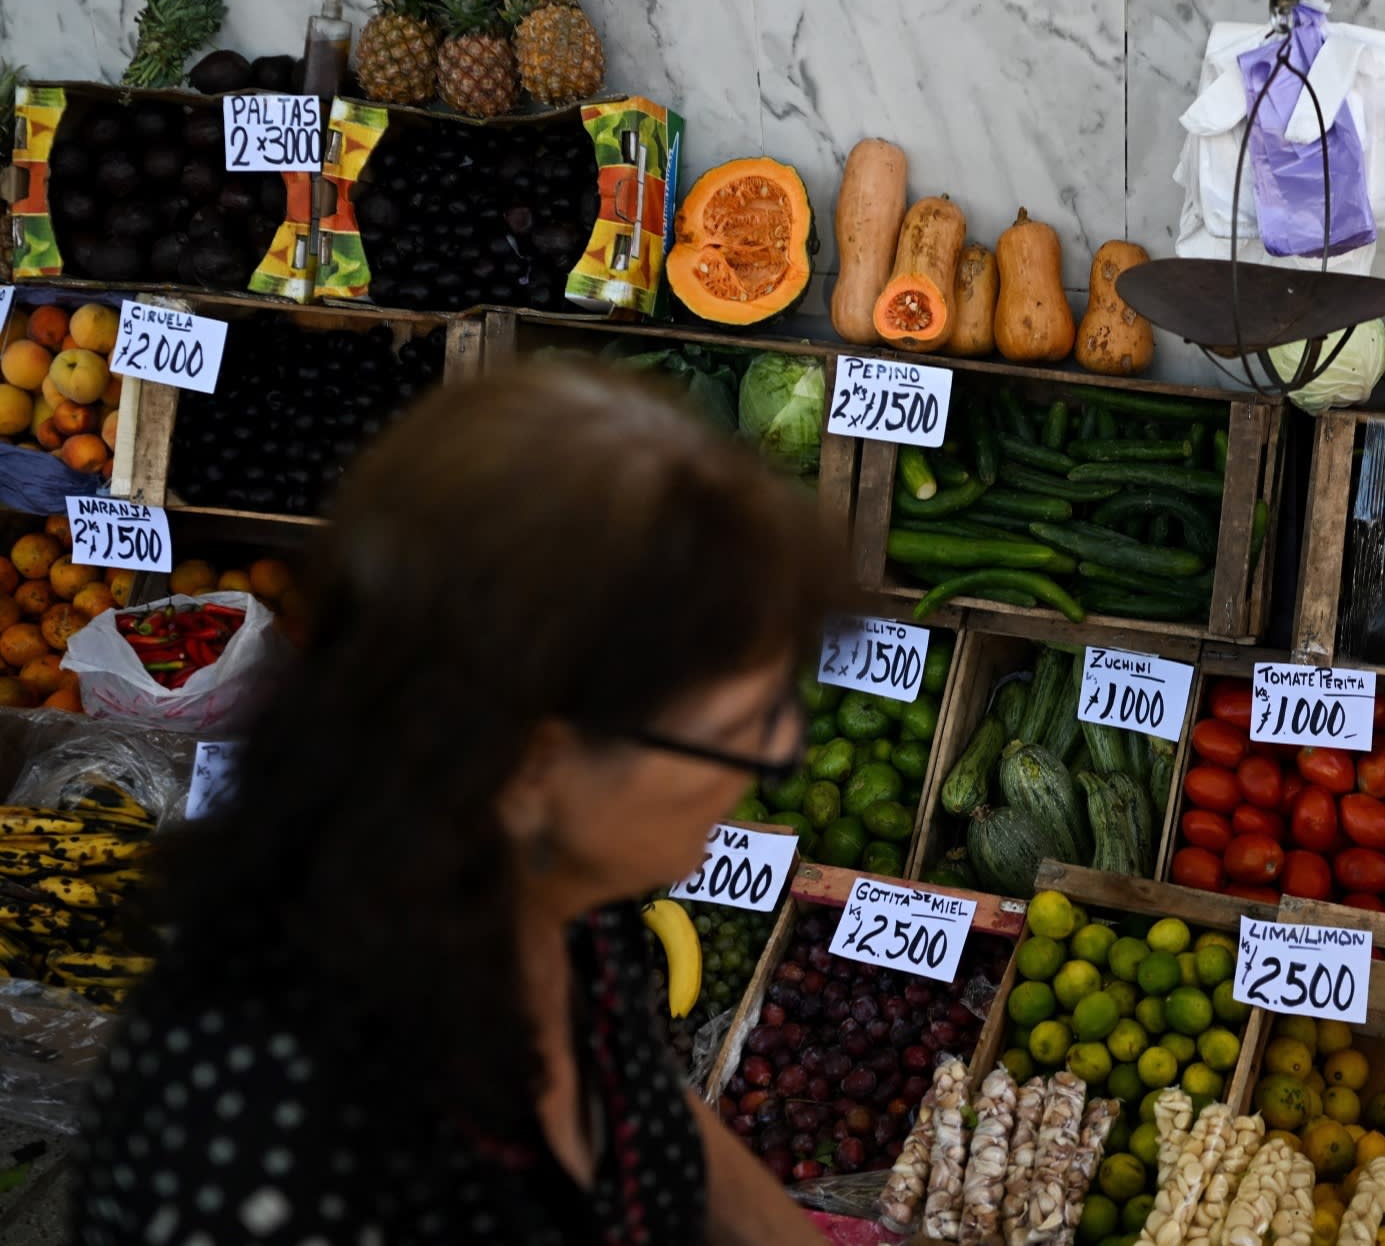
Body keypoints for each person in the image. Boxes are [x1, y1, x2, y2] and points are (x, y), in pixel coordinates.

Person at [73, 361, 841, 1246]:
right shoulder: (273, 1130)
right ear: (532, 764)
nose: (771, 761)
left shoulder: (559, 911)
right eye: (735, 731)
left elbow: (642, 1111)